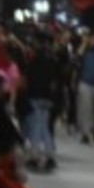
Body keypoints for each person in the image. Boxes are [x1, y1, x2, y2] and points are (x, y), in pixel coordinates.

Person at [21, 38, 60, 171]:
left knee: (36, 127)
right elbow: (56, 81)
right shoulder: (53, 62)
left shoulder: (32, 63)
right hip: (48, 98)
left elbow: (27, 80)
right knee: (45, 126)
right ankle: (49, 154)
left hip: (35, 96)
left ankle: (35, 155)